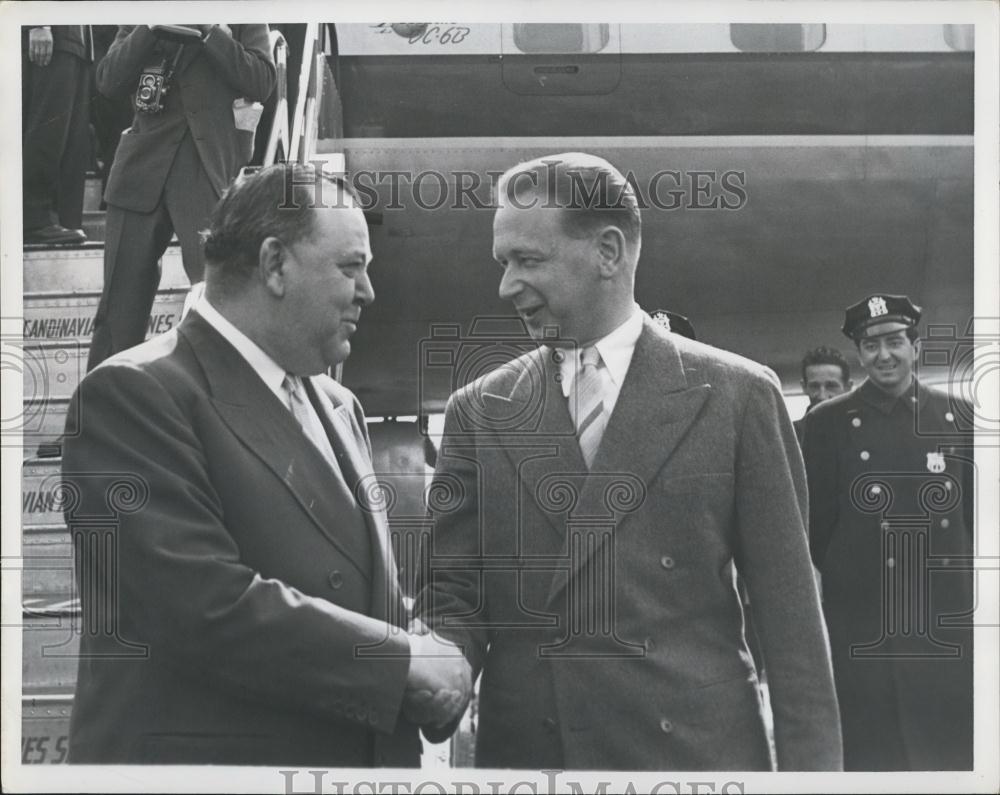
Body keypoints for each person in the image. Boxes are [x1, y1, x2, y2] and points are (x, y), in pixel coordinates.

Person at [415, 153, 842, 770]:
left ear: (608, 252)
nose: (506, 286)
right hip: (536, 759)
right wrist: (442, 663)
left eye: (527, 261)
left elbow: (793, 623)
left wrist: (815, 784)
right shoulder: (478, 411)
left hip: (694, 762)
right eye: (503, 263)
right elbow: (454, 591)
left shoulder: (739, 397)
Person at [61, 163, 469, 766]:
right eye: (351, 267)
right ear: (275, 264)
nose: (368, 292)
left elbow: (361, 593)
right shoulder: (132, 394)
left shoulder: (339, 406)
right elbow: (197, 604)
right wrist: (402, 661)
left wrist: (431, 664)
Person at [801, 294, 974, 771]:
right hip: (865, 621)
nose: (884, 355)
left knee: (949, 749)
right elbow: (818, 527)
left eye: (895, 342)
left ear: (915, 346)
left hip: (942, 618)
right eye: (871, 345)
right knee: (873, 750)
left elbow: (974, 520)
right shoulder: (828, 422)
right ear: (859, 354)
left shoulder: (957, 416)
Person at [85, 24, 276, 372]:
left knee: (218, 307)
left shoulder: (244, 11)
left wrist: (209, 33)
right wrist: (150, 27)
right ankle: (102, 416)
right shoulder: (146, 10)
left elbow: (262, 81)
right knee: (118, 312)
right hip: (139, 173)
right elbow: (108, 79)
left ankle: (215, 414)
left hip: (205, 170)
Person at [22, 25, 93, 245]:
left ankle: (62, 221)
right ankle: (34, 219)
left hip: (76, 39)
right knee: (47, 131)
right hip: (55, 33)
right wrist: (38, 22)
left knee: (68, 138)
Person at [793, 345, 853, 443]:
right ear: (804, 387)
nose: (822, 396)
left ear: (848, 387)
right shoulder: (790, 435)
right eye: (814, 386)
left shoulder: (864, 431)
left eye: (831, 386)